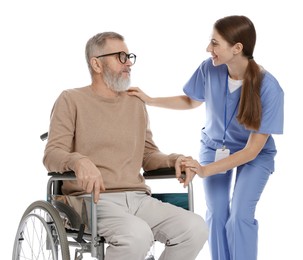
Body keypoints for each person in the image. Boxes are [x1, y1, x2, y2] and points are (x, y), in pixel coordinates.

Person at [128, 15, 284, 260]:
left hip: (254, 154)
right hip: (214, 146)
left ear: (237, 48)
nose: (208, 49)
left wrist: (204, 170)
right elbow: (191, 100)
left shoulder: (269, 87)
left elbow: (251, 151)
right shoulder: (209, 68)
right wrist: (150, 100)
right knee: (218, 213)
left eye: (214, 43)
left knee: (240, 216)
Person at [43, 31, 208, 260]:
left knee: (195, 228)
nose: (128, 63)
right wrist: (78, 160)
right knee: (137, 236)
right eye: (120, 56)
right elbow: (52, 154)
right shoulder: (71, 100)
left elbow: (148, 155)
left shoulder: (135, 102)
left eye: (129, 56)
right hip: (92, 200)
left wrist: (174, 160)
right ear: (97, 64)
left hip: (138, 198)